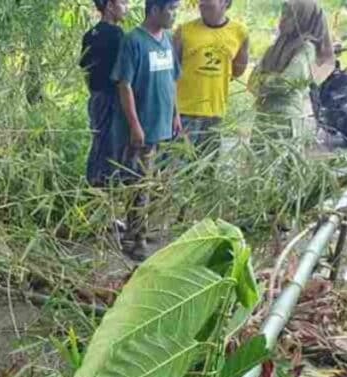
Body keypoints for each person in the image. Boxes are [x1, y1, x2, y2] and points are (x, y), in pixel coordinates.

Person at [111, 0, 181, 260]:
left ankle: (138, 230)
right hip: (143, 128)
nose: (174, 15)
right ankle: (136, 239)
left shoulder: (167, 40)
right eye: (170, 10)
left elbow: (172, 79)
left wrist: (175, 115)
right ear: (154, 11)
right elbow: (124, 85)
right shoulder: (134, 41)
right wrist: (135, 125)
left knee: (150, 182)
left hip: (162, 124)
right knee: (139, 183)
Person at [174, 0, 249, 155]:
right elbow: (170, 73)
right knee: (176, 167)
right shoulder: (184, 31)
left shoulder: (240, 33)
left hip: (215, 113)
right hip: (184, 112)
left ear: (225, 3)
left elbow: (238, 69)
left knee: (207, 170)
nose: (202, 3)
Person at [250, 0, 334, 140]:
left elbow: (286, 83)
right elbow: (252, 82)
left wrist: (264, 80)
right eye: (282, 14)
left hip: (285, 122)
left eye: (288, 16)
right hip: (262, 117)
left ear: (303, 19)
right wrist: (267, 80)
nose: (282, 20)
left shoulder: (305, 49)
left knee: (280, 160)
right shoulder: (274, 48)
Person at [80, 0, 129, 186]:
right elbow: (123, 74)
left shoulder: (89, 35)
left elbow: (85, 70)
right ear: (109, 6)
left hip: (96, 96)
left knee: (98, 141)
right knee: (113, 145)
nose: (127, 8)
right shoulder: (117, 35)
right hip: (113, 98)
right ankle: (106, 187)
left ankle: (93, 183)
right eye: (123, 3)